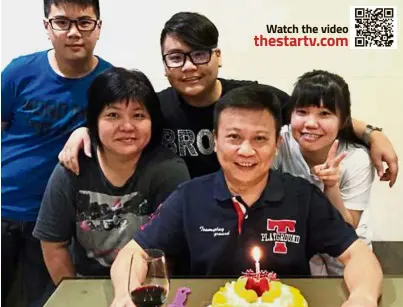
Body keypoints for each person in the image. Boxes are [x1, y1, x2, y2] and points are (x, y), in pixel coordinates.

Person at [102, 85, 385, 307]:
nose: (246, 151)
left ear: (276, 145)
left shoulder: (302, 196)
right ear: (215, 141)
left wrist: (363, 298)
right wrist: (124, 295)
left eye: (260, 139)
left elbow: (358, 255)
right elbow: (133, 254)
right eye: (234, 137)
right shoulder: (189, 196)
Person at [59, 12, 398, 184]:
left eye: (200, 55)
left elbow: (310, 117)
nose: (189, 67)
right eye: (176, 57)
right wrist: (83, 132)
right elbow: (122, 124)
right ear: (164, 65)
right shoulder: (156, 107)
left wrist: (372, 134)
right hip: (181, 216)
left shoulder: (251, 97)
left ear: (218, 56)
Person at [1, 0, 111, 307]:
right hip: (4, 206)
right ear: (47, 27)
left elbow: (122, 132)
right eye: (62, 22)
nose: (74, 32)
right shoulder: (19, 71)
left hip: (58, 223)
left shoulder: (110, 82)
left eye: (84, 22)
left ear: (99, 27)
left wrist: (85, 129)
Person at [33, 67, 189, 285]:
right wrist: (74, 293)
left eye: (138, 115)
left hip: (146, 285)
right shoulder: (74, 167)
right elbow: (53, 243)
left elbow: (170, 251)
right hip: (86, 284)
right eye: (112, 115)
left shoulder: (169, 170)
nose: (127, 126)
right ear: (93, 122)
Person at [275, 70, 374, 276]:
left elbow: (348, 226)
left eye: (324, 114)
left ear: (344, 121)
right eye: (301, 112)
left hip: (345, 254)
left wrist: (331, 186)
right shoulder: (280, 142)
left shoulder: (356, 159)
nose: (311, 123)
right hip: (296, 248)